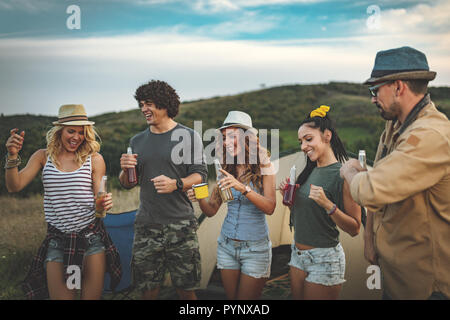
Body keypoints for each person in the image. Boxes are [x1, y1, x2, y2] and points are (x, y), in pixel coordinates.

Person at [340, 46, 450, 300]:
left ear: (398, 87)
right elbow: (381, 182)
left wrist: (350, 171)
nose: (372, 98)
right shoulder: (395, 126)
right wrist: (370, 241)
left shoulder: (429, 136)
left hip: (425, 287)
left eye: (375, 90)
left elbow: (371, 189)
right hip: (396, 276)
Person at [5, 104, 121, 300]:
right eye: (71, 131)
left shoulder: (95, 159)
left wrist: (104, 203)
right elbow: (14, 186)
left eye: (81, 132)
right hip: (58, 242)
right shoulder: (42, 157)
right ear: (59, 131)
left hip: (91, 239)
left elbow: (99, 199)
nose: (76, 137)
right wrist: (13, 155)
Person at [119, 80, 208, 300]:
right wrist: (124, 170)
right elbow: (128, 183)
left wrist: (176, 183)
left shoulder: (188, 137)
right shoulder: (137, 141)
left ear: (164, 104)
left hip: (181, 224)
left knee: (186, 289)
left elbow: (200, 175)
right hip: (146, 225)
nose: (143, 109)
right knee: (148, 289)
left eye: (148, 103)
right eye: (141, 104)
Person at [187, 111, 276, 300]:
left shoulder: (264, 165)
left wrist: (243, 188)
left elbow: (270, 207)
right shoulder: (225, 168)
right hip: (226, 246)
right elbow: (211, 210)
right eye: (225, 138)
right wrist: (200, 196)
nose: (227, 142)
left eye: (232, 136)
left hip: (255, 249)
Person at [279, 105, 361, 300]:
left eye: (308, 139)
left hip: (325, 259)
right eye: (301, 141)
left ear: (327, 135)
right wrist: (290, 200)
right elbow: (308, 214)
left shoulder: (343, 174)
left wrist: (328, 205)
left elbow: (355, 228)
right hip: (297, 256)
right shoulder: (307, 171)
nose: (303, 146)